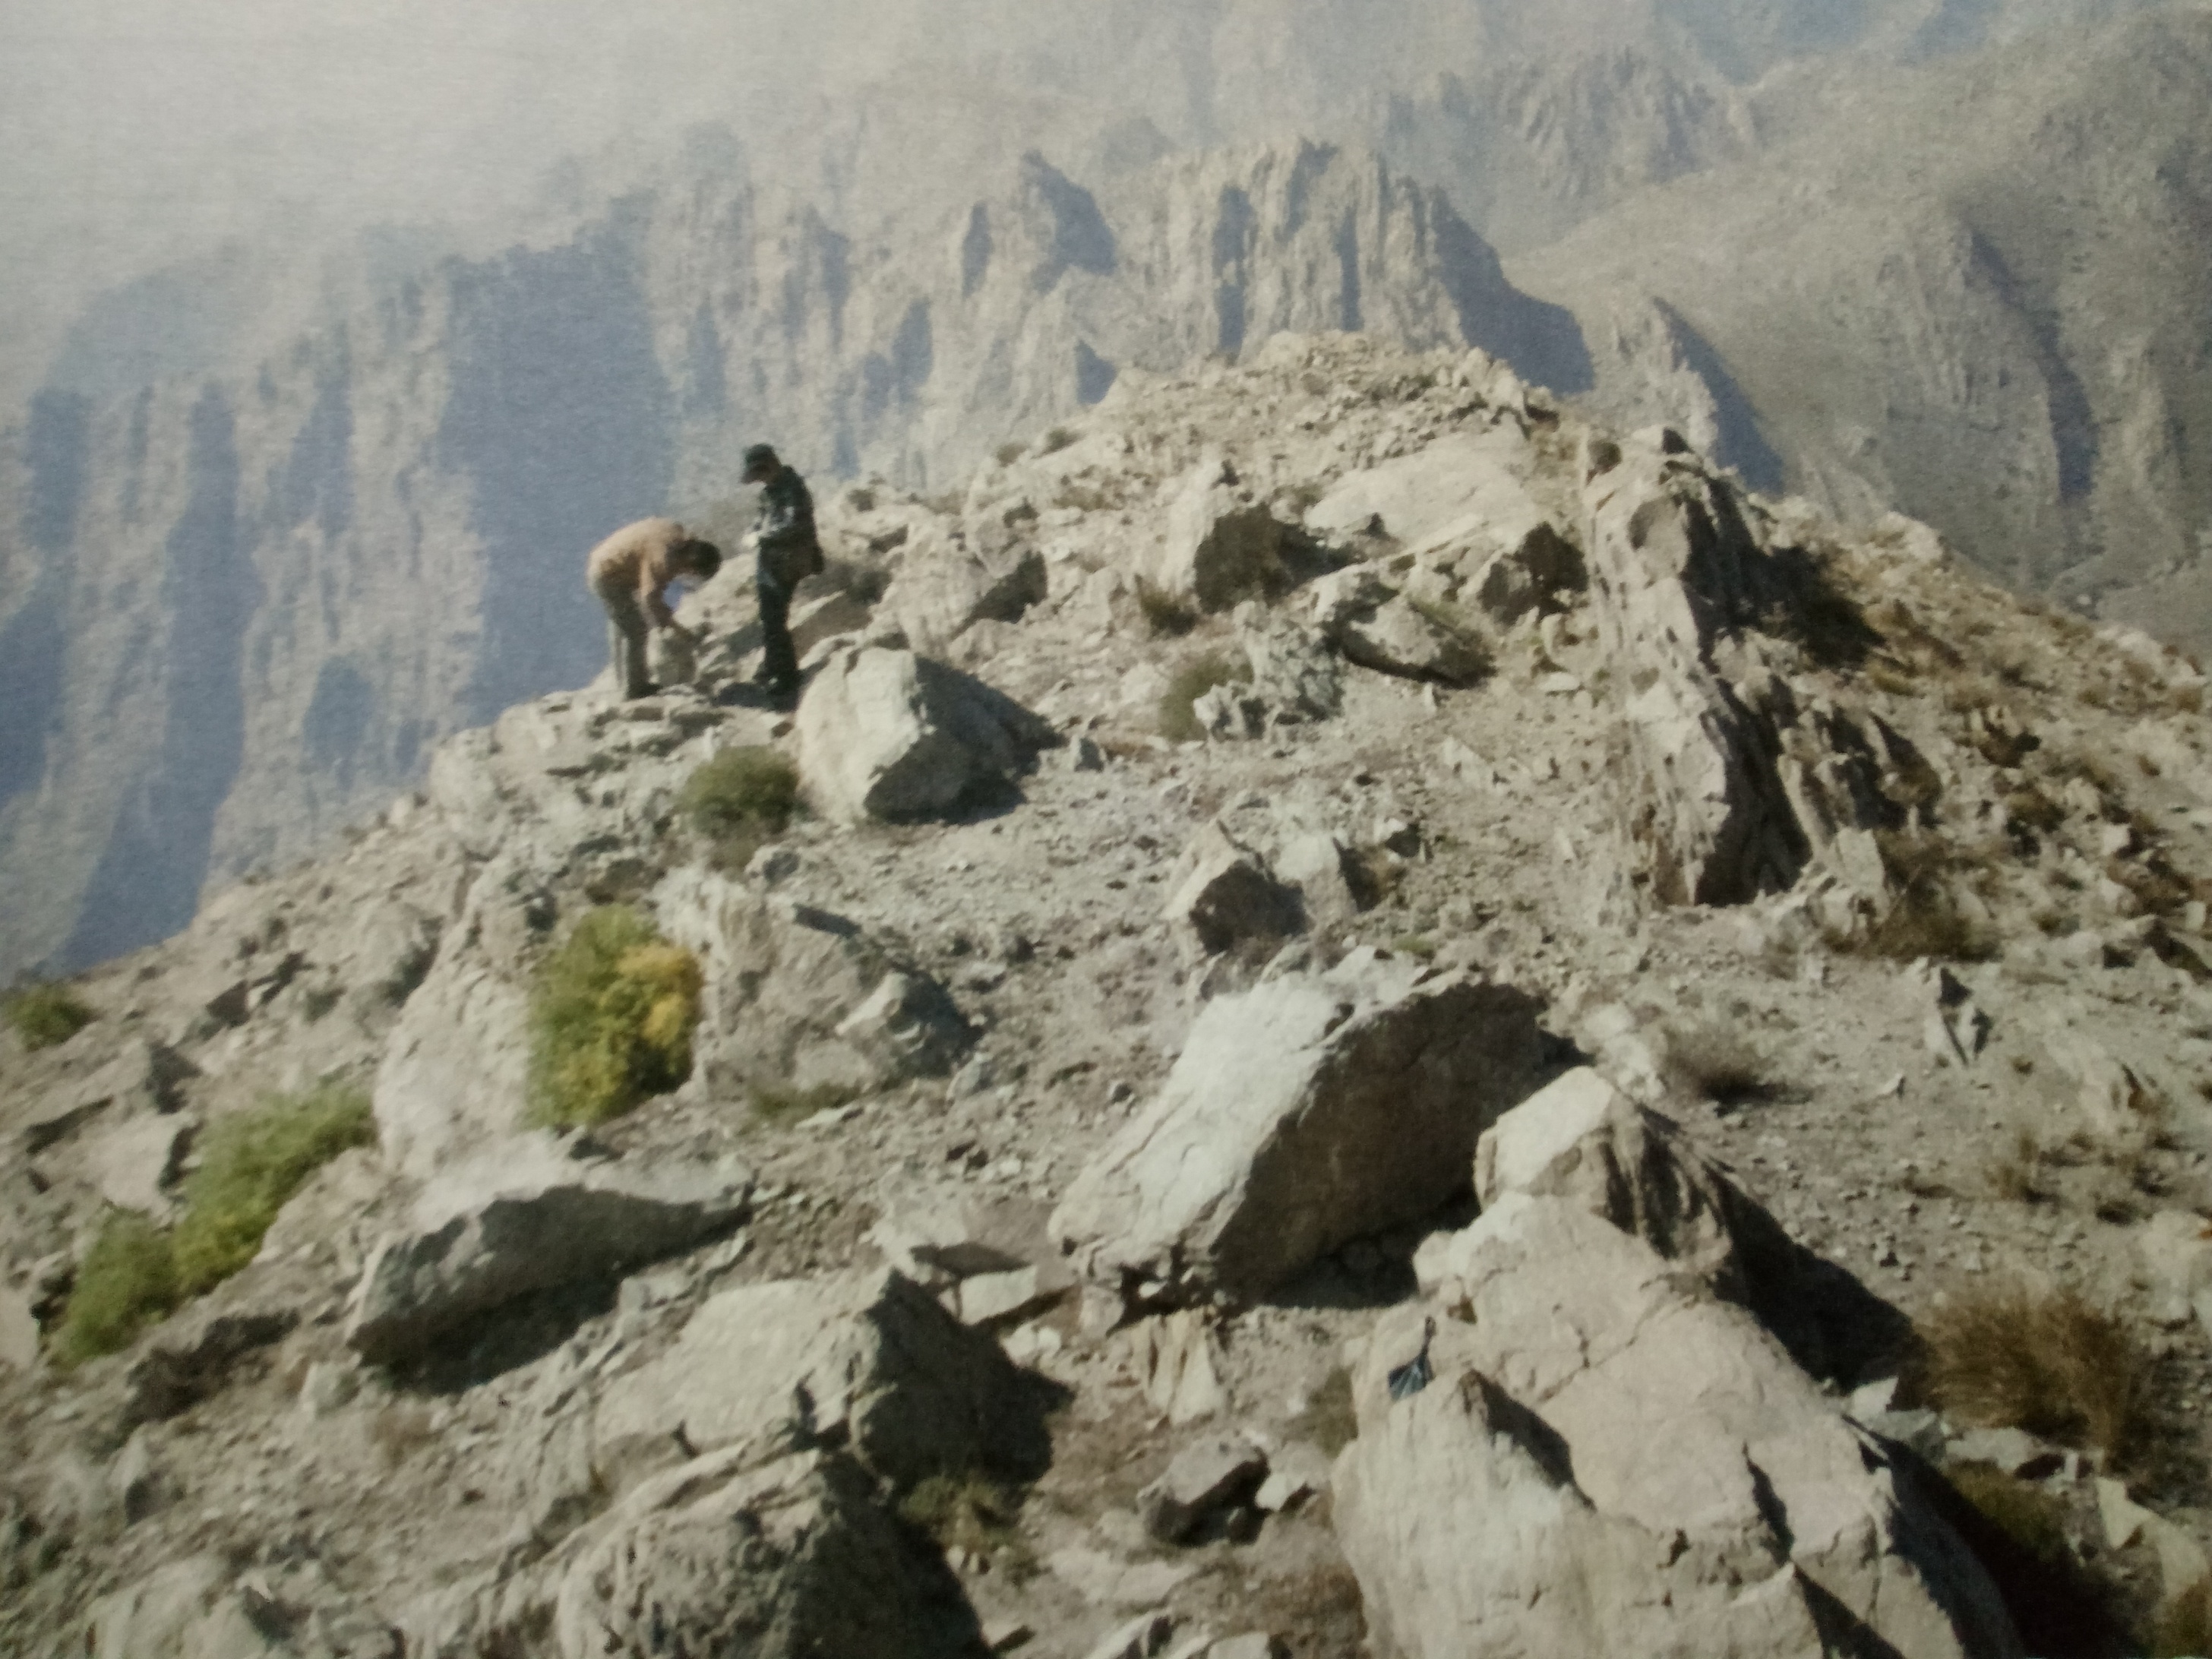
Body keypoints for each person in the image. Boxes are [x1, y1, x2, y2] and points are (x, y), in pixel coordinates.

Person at [585, 517, 722, 700]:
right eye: (691, 573)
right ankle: (635, 689)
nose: (686, 576)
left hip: (608, 557)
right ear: (689, 564)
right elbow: (650, 600)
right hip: (607, 574)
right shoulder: (662, 559)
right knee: (635, 630)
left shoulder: (678, 535)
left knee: (621, 623)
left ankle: (623, 681)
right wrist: (677, 631)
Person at [741, 444, 823, 699]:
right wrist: (752, 532)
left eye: (761, 473)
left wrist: (763, 537)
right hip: (772, 562)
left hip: (790, 561)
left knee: (775, 619)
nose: (760, 480)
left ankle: (786, 676)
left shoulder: (793, 489)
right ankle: (772, 665)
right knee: (768, 617)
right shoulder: (770, 492)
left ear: (770, 466)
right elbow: (762, 517)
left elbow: (793, 524)